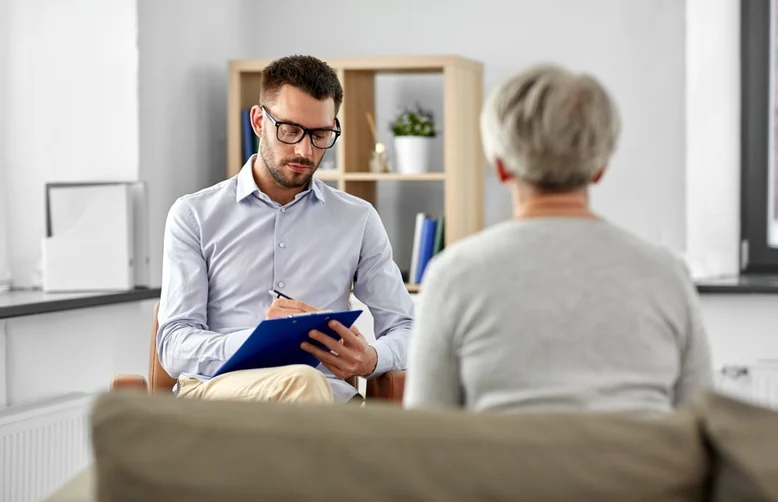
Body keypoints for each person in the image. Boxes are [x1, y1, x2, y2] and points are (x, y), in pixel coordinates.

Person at [403, 63, 713, 413]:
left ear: (501, 166)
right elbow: (701, 425)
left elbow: (427, 435)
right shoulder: (667, 275)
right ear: (600, 168)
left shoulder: (452, 276)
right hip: (640, 469)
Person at [157, 55, 414, 405]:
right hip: (220, 399)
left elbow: (407, 328)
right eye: (290, 130)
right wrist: (260, 340)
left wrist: (372, 358)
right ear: (259, 121)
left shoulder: (358, 219)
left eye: (321, 134)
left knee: (309, 385)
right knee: (303, 382)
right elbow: (173, 345)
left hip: (327, 401)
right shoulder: (194, 215)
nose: (304, 150)